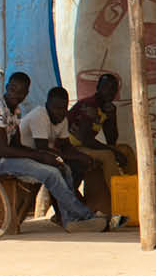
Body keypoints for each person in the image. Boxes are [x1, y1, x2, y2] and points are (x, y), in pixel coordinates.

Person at [0, 72, 109, 233]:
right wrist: (39, 156)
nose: (17, 94)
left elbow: (17, 145)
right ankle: (86, 215)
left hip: (8, 158)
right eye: (13, 89)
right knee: (51, 173)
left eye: (21, 92)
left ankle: (69, 220)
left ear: (26, 94)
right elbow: (4, 149)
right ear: (7, 88)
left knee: (63, 168)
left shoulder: (15, 112)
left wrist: (46, 156)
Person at [22, 85, 114, 221]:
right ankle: (77, 213)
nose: (60, 112)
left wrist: (81, 157)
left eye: (63, 108)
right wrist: (75, 156)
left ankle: (66, 210)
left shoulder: (62, 119)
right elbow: (42, 148)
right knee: (60, 171)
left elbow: (66, 145)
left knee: (78, 166)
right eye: (56, 108)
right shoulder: (39, 116)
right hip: (28, 157)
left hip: (43, 157)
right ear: (47, 105)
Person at [66, 72, 137, 178]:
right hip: (71, 147)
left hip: (84, 145)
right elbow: (85, 139)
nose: (110, 91)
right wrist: (114, 152)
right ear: (98, 88)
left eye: (113, 88)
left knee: (126, 150)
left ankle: (137, 189)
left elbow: (111, 140)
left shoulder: (106, 108)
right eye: (106, 87)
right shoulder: (90, 105)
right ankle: (117, 192)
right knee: (108, 155)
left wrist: (111, 117)